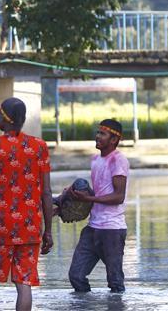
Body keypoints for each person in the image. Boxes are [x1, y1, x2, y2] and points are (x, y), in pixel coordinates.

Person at [0, 97, 53, 311]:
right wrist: (48, 231)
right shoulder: (39, 146)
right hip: (30, 225)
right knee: (24, 282)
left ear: (4, 119)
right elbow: (46, 193)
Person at [66, 119, 129, 294]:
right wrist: (68, 198)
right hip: (93, 227)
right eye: (98, 132)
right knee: (76, 276)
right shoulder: (95, 159)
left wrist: (88, 198)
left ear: (114, 139)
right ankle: (86, 305)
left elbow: (119, 197)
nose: (97, 136)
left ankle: (116, 305)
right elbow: (100, 192)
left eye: (103, 133)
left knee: (115, 282)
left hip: (112, 230)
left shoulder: (118, 160)